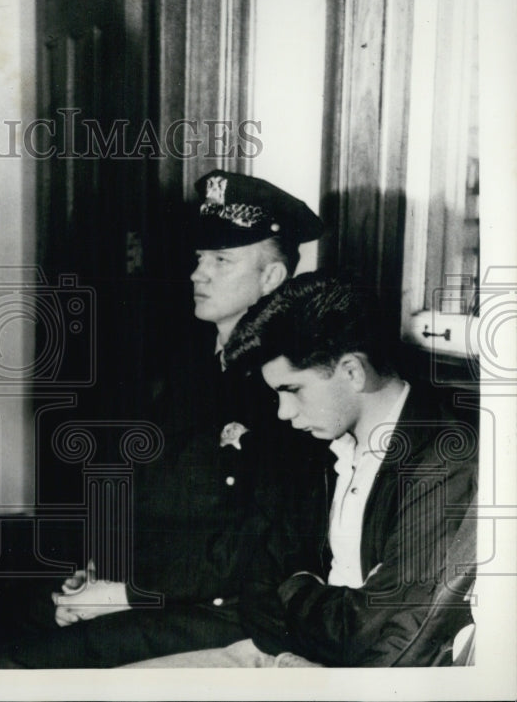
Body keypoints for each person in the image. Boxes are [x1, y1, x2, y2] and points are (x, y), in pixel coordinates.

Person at [0, 170, 327, 667]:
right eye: (199, 259)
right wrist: (97, 571)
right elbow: (149, 490)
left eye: (221, 261)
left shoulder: (286, 387)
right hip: (150, 583)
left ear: (271, 278)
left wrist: (126, 592)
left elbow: (252, 545)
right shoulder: (193, 364)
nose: (197, 274)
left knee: (8, 667)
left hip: (222, 608)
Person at [127, 273, 478, 667]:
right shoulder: (322, 448)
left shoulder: (446, 463)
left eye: (291, 391)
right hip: (285, 650)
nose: (283, 413)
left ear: (352, 372)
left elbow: (383, 636)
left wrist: (294, 586)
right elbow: (257, 585)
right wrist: (314, 598)